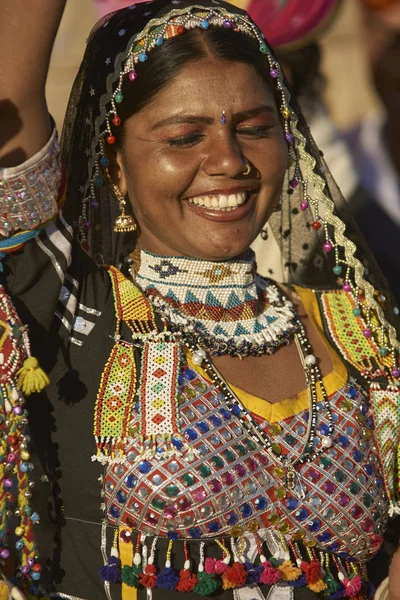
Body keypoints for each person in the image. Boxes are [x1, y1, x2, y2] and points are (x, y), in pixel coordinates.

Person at [1, 1, 400, 599]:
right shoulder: (72, 311)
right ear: (115, 165)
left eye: (255, 129)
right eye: (185, 137)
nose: (229, 161)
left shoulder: (355, 332)